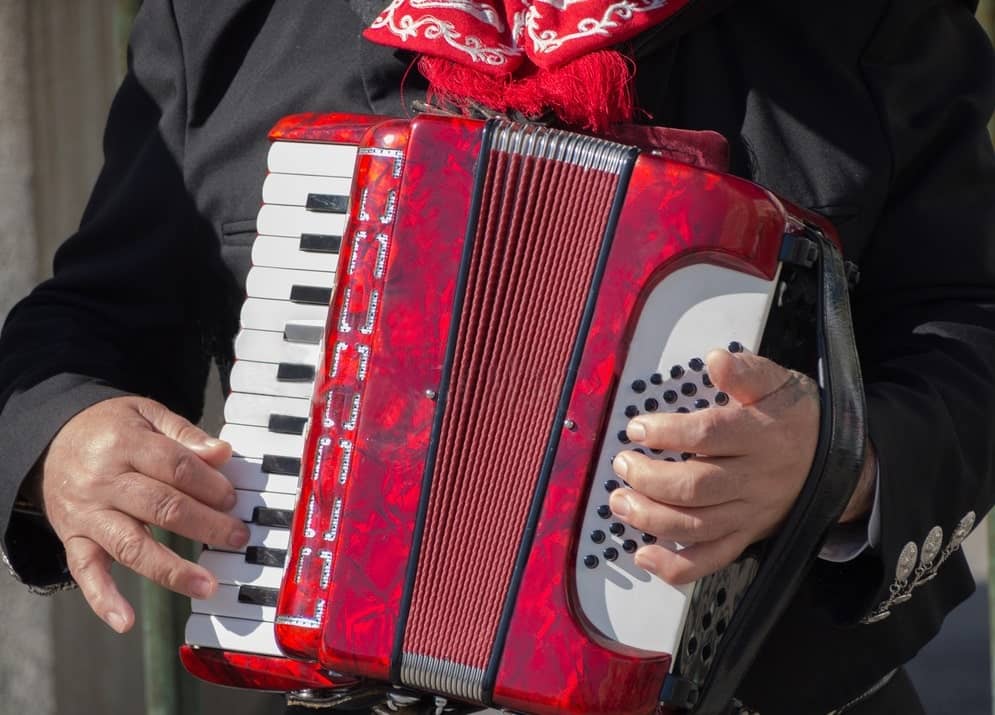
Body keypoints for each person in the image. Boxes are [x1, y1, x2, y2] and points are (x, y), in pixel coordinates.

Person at [1, 1, 992, 713]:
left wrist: (837, 462)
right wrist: (65, 436)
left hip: (769, 689)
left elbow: (969, 330)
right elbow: (94, 318)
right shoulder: (224, 24)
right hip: (337, 688)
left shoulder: (868, 23)